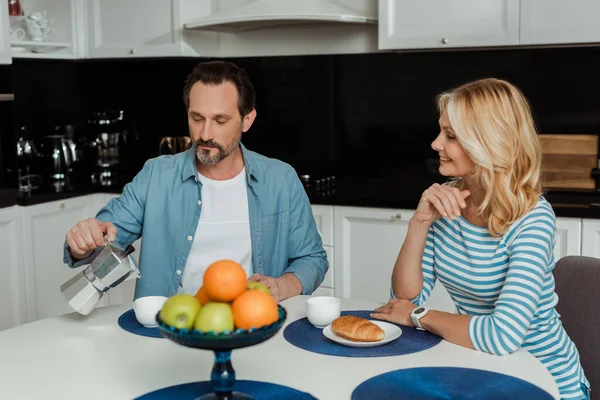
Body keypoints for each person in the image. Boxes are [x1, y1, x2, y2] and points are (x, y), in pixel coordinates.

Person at [371, 78, 590, 400]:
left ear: (486, 142)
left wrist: (418, 317)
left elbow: (502, 336)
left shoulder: (531, 218)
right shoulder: (450, 202)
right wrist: (418, 224)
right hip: (484, 369)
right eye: (440, 131)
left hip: (548, 381)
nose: (435, 144)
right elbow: (404, 297)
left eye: (450, 136)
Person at [63, 60, 328, 302]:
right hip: (167, 330)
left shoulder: (280, 180)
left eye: (220, 120)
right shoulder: (156, 176)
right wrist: (83, 243)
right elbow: (104, 240)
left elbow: (312, 259)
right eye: (197, 118)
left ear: (247, 120)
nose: (205, 133)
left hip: (252, 325)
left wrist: (282, 286)